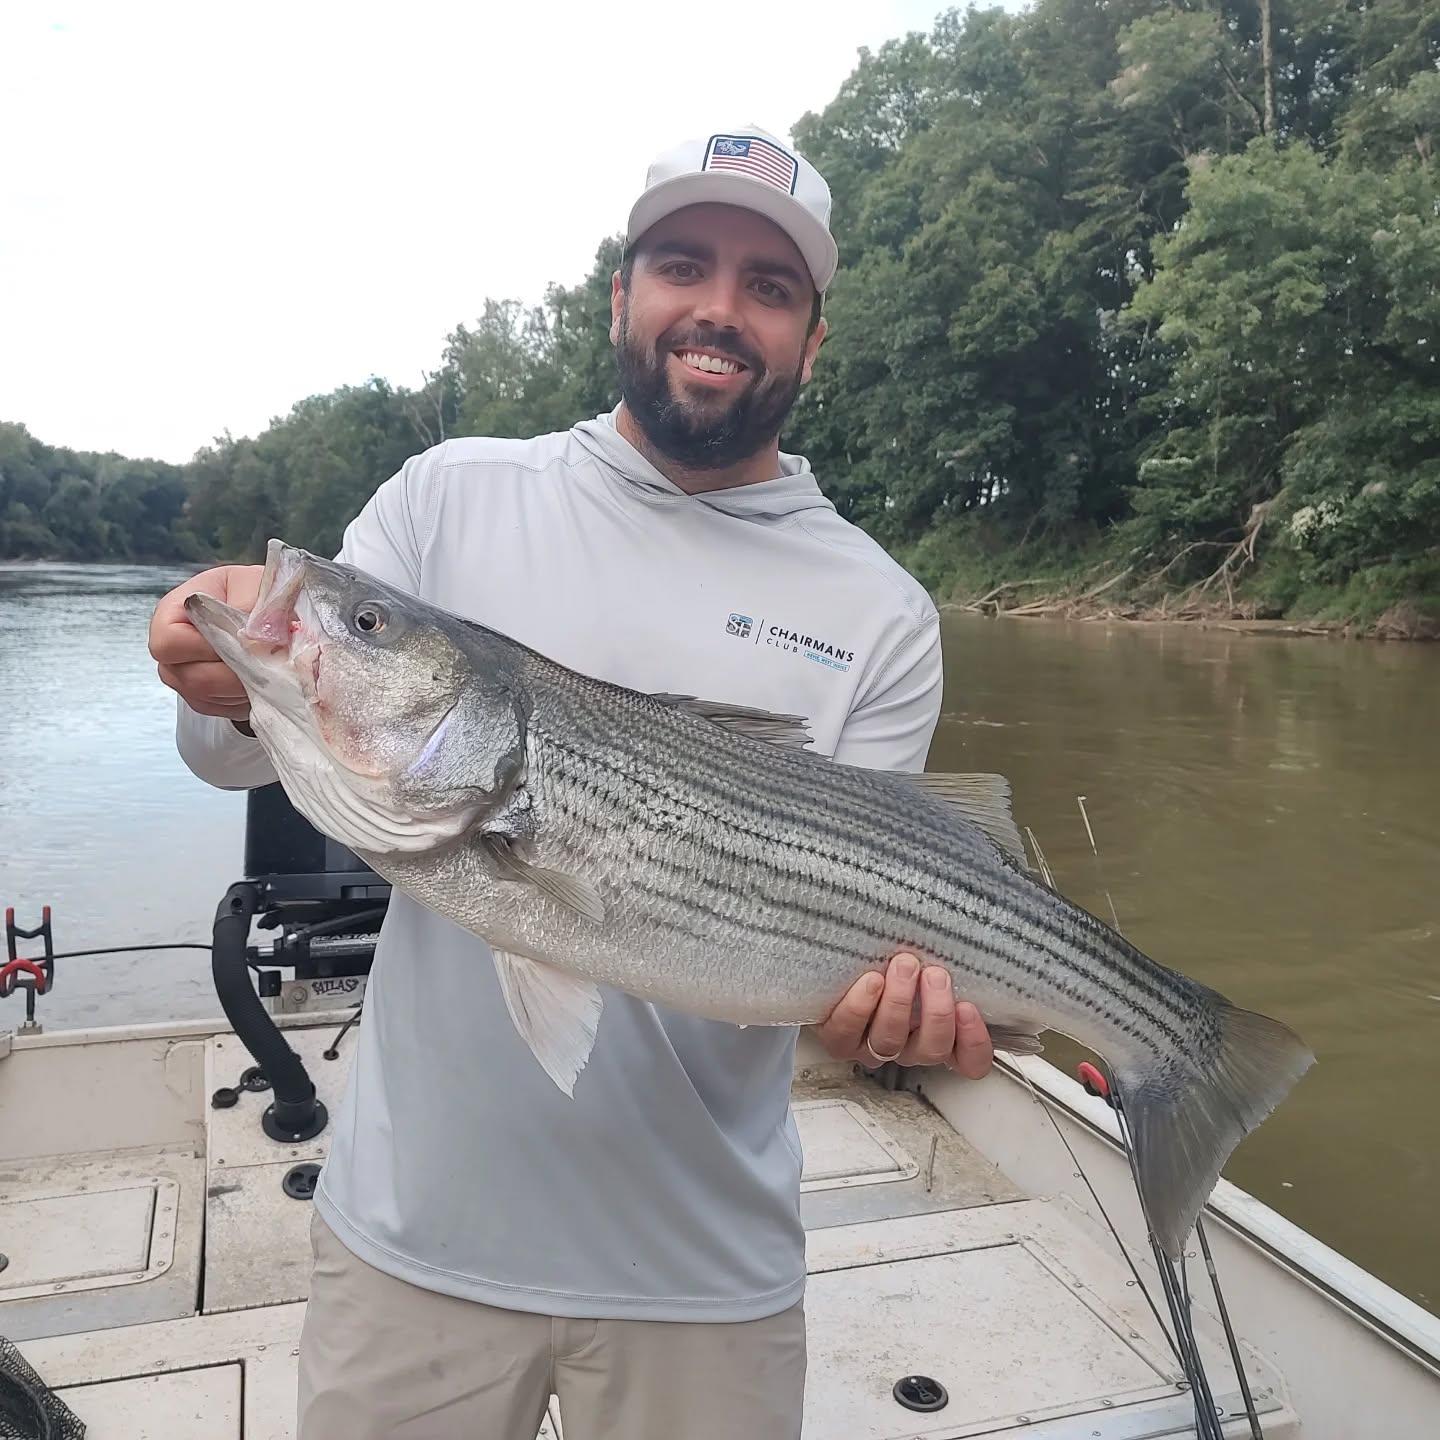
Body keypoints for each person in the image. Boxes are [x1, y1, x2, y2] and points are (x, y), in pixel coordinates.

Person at [149, 123, 994, 1440]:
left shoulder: (879, 613)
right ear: (621, 293)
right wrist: (208, 665)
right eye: (681, 265)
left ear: (813, 342)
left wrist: (879, 1022)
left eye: (769, 287)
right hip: (411, 1244)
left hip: (708, 1283)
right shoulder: (451, 499)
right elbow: (226, 752)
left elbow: (843, 973)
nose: (718, 308)